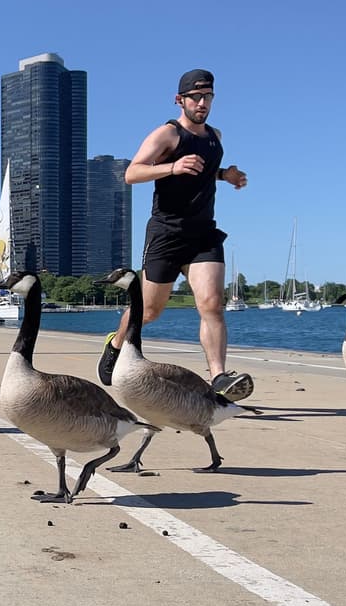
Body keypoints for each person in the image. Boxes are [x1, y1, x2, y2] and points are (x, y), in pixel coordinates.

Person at [97, 69, 253, 401]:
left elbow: (203, 172)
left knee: (212, 304)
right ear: (180, 99)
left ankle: (219, 378)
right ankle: (116, 343)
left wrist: (225, 175)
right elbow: (132, 173)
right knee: (149, 312)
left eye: (208, 96)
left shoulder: (215, 137)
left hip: (203, 234)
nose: (202, 103)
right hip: (166, 234)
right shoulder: (167, 134)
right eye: (195, 97)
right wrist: (172, 166)